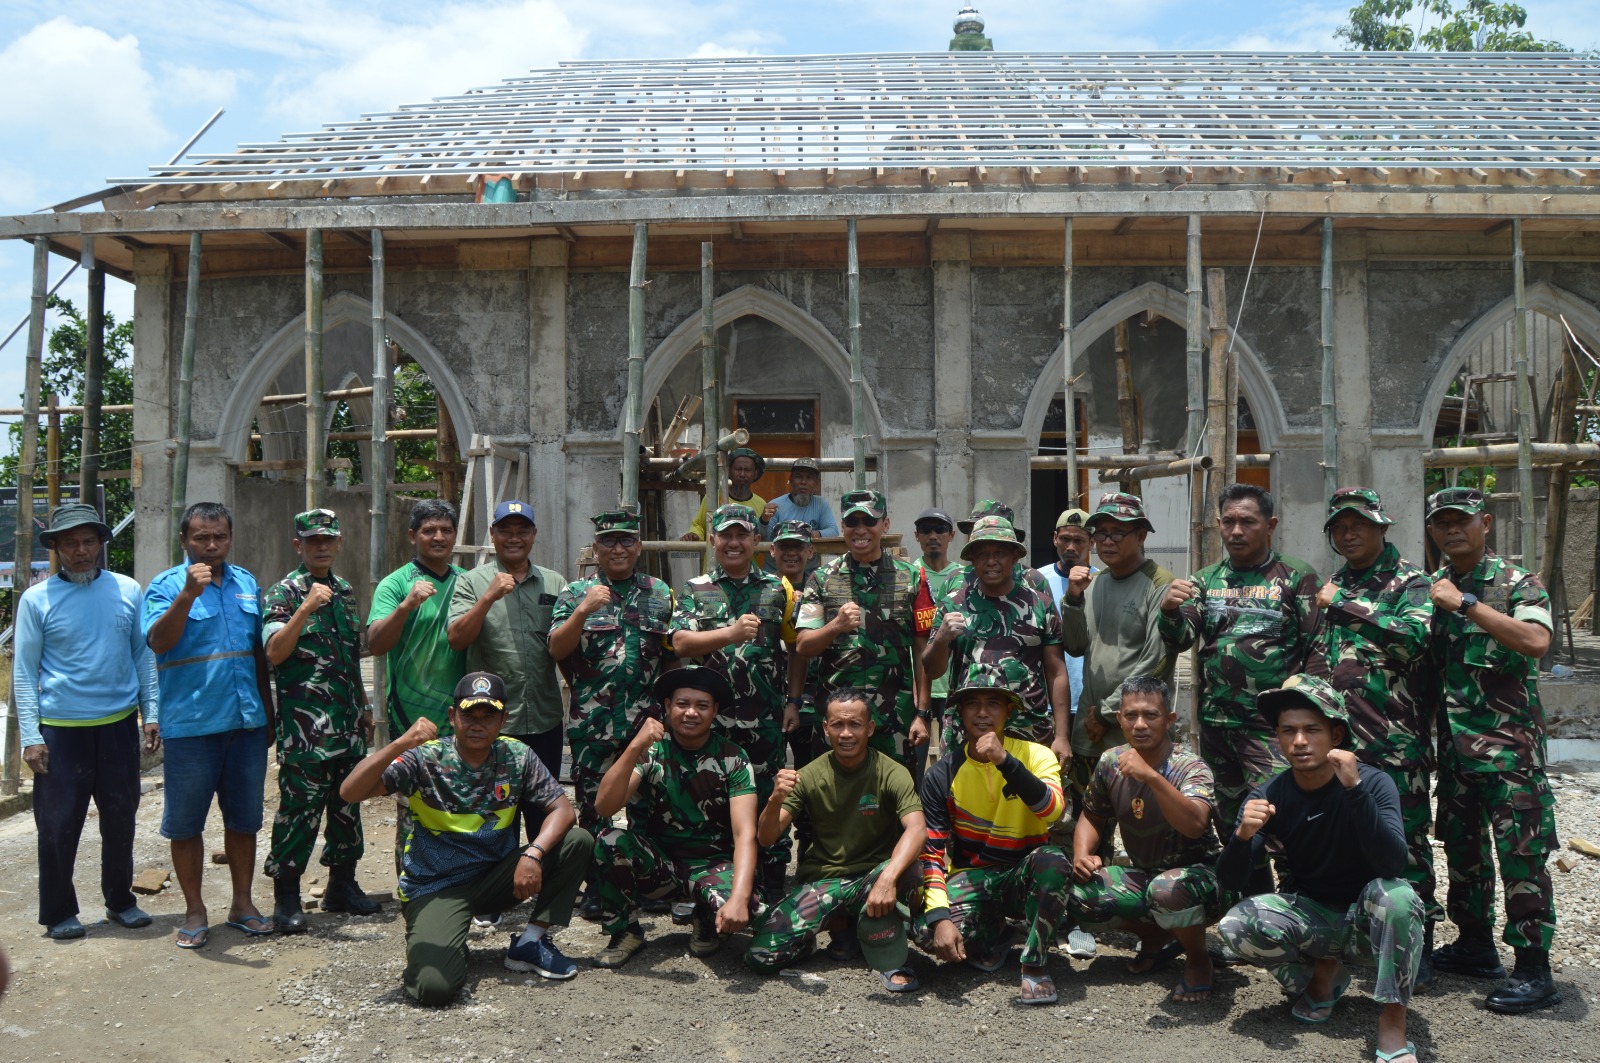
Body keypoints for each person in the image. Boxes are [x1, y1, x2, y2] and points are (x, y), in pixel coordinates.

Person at [339, 672, 594, 1001]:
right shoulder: (425, 758)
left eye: (489, 716)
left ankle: (531, 942)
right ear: (452, 716)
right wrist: (401, 743)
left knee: (576, 841)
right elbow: (350, 791)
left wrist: (533, 854)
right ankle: (444, 938)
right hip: (435, 887)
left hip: (494, 879)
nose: (478, 724)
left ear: (504, 719)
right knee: (433, 988)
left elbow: (563, 810)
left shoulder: (517, 756)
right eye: (468, 715)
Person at [1217, 675, 1422, 1063]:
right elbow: (1229, 881)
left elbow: (1392, 864)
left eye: (1312, 730)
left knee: (1397, 896)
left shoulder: (1373, 783)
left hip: (1371, 924)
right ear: (1277, 737)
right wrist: (1243, 836)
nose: (1299, 742)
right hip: (1318, 919)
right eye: (1288, 731)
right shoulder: (1270, 794)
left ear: (1336, 735)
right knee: (1235, 925)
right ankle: (1322, 978)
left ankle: (1393, 1024)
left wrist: (1354, 792)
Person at [1424, 486, 1560, 1014]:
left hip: (1510, 753)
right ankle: (1475, 944)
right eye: (1442, 523)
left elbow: (1534, 642)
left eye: (1461, 520)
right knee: (1463, 851)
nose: (1452, 530)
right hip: (1455, 752)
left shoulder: (1515, 583)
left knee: (1521, 855)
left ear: (1486, 523)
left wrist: (1469, 604)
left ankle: (1533, 968)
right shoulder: (1433, 588)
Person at [1158, 483, 1321, 894]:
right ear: (1218, 525)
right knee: (1234, 824)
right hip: (1217, 725)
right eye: (1228, 522)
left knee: (1283, 816)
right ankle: (1254, 910)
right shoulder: (1205, 579)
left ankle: (1303, 910)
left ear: (1270, 525)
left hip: (1273, 728)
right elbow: (1181, 638)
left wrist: (1310, 718)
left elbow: (1316, 649)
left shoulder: (1297, 576)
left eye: (1247, 521)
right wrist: (1170, 610)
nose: (1236, 531)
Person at [1307, 487, 1439, 983]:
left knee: (1405, 843)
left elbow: (1412, 640)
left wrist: (1346, 603)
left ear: (1383, 527)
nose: (1348, 533)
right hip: (1342, 745)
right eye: (1339, 527)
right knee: (1350, 836)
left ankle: (1419, 943)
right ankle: (1361, 935)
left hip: (1394, 743)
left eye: (1358, 524)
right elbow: (1321, 659)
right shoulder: (1334, 582)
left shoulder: (1410, 582)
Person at [14, 503, 159, 940]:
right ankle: (59, 912)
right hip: (61, 732)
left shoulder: (128, 590)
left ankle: (120, 901)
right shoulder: (37, 599)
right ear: (55, 547)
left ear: (101, 544)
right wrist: (30, 736)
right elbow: (24, 671)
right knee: (58, 825)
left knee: (121, 817)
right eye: (71, 542)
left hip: (116, 727)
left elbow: (142, 655)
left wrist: (151, 712)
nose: (81, 550)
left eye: (89, 541)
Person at [143, 502, 277, 948]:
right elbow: (157, 642)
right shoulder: (164, 586)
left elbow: (257, 654)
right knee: (185, 825)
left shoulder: (246, 584)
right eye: (201, 537)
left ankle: (242, 904)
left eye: (219, 536)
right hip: (192, 727)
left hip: (245, 723)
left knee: (244, 820)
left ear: (230, 537)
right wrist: (186, 596)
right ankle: (195, 911)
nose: (212, 545)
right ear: (184, 540)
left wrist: (268, 713)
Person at [746, 688, 927, 991]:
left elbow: (917, 829)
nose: (846, 734)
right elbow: (766, 837)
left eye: (855, 725)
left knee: (911, 881)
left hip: (873, 878)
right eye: (838, 725)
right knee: (760, 957)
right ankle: (839, 928)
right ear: (825, 728)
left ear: (869, 729)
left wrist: (888, 877)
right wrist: (775, 798)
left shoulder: (892, 771)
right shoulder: (809, 775)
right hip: (825, 882)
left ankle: (890, 955)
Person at [915, 670, 1072, 1006]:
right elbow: (932, 853)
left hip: (1025, 876)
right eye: (972, 704)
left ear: (1009, 712)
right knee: (927, 934)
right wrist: (940, 919)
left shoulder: (1036, 755)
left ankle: (1034, 963)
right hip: (973, 878)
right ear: (959, 713)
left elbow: (1053, 812)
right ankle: (997, 933)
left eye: (993, 704)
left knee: (1054, 861)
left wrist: (1005, 761)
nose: (982, 713)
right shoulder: (942, 773)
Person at [588, 667, 758, 967]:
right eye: (682, 704)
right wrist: (635, 746)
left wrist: (740, 898)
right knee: (610, 839)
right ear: (667, 707)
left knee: (750, 910)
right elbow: (604, 807)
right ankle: (625, 932)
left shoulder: (733, 757)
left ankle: (706, 919)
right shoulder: (652, 750)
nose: (691, 713)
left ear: (715, 711)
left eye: (702, 706)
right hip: (659, 866)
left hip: (711, 865)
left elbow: (744, 834)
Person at [550, 508, 674, 918]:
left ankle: (643, 884)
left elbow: (670, 655)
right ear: (596, 548)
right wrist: (583, 610)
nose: (617, 548)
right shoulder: (575, 592)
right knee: (593, 810)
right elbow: (557, 651)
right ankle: (599, 887)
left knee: (648, 807)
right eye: (609, 541)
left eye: (625, 540)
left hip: (646, 724)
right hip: (594, 724)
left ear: (638, 546)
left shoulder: (659, 592)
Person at [1071, 676, 1225, 1004]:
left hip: (1201, 882)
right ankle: (1155, 936)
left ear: (1169, 719)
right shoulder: (1111, 761)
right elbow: (1092, 814)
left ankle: (1199, 960)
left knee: (1166, 890)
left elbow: (1196, 825)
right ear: (1119, 719)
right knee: (1079, 892)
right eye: (1130, 716)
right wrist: (1082, 854)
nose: (1139, 724)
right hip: (1147, 878)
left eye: (1151, 715)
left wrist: (1151, 777)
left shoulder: (1190, 766)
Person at [262, 509, 380, 932]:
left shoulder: (345, 591)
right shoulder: (285, 592)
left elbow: (351, 658)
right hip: (306, 732)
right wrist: (306, 608)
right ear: (299, 546)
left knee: (348, 807)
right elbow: (275, 652)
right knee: (298, 812)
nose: (322, 547)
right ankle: (287, 899)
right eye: (313, 541)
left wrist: (365, 707)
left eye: (328, 539)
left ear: (339, 542)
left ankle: (342, 886)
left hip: (347, 726)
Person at [670, 503, 793, 900]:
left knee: (769, 796)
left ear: (758, 540)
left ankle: (770, 882)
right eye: (726, 535)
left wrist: (793, 700)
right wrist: (730, 633)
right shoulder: (696, 588)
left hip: (766, 721)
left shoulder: (778, 588)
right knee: (713, 801)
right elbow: (681, 642)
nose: (734, 543)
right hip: (712, 724)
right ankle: (718, 885)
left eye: (743, 535)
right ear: (713, 541)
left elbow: (795, 648)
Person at [1060, 492, 1176, 822]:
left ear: (1140, 535)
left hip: (1136, 730)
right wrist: (1072, 601)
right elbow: (1075, 646)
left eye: (1117, 532)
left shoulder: (1159, 584)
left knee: (1144, 820)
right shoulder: (1094, 584)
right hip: (1089, 731)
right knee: (1090, 818)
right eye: (1100, 533)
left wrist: (1110, 712)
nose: (1106, 541)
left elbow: (1156, 660)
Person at [796, 490, 928, 770]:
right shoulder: (821, 579)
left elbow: (921, 650)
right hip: (838, 720)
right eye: (852, 522)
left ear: (885, 525)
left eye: (868, 521)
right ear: (842, 527)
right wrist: (836, 626)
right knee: (833, 800)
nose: (860, 530)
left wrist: (922, 713)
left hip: (894, 717)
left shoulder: (911, 577)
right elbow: (804, 646)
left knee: (896, 800)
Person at [921, 516, 1070, 763]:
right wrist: (940, 640)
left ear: (1014, 557)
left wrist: (1062, 735)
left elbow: (1056, 672)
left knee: (1032, 799)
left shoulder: (1040, 605)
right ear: (972, 560)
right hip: (967, 732)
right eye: (982, 554)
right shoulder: (952, 604)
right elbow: (933, 670)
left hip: (1028, 729)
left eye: (999, 553)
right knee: (965, 800)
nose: (991, 561)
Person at [448, 500, 569, 795]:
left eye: (522, 531)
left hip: (544, 719)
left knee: (543, 809)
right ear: (492, 534)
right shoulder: (471, 582)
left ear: (534, 534)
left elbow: (564, 648)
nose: (514, 538)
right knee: (496, 817)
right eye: (505, 531)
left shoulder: (554, 582)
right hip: (492, 724)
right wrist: (488, 597)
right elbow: (457, 638)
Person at [367, 499, 467, 739]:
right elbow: (376, 644)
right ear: (413, 536)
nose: (439, 537)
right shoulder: (395, 583)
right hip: (409, 714)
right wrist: (406, 607)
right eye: (429, 531)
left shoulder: (467, 581)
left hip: (463, 711)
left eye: (447, 530)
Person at [910, 506, 963, 777]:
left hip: (954, 687)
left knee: (952, 768)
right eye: (926, 530)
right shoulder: (907, 576)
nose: (933, 535)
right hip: (916, 688)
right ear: (916, 536)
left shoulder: (964, 578)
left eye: (940, 529)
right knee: (913, 768)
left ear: (951, 535)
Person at [769, 519, 823, 769]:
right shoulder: (762, 590)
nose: (791, 553)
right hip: (766, 701)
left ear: (810, 551)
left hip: (810, 703)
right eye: (784, 546)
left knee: (809, 773)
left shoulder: (823, 591)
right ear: (772, 550)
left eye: (798, 547)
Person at [1034, 507, 1093, 722]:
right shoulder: (1036, 580)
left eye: (1079, 541)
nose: (1071, 547)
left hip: (1088, 700)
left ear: (1091, 543)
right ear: (1054, 539)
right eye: (1065, 539)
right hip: (1045, 700)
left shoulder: (1101, 582)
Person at [682, 447, 769, 542]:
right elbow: (699, 525)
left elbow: (761, 536)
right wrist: (694, 535)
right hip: (715, 556)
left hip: (746, 557)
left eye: (747, 470)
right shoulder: (713, 498)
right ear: (729, 471)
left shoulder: (761, 504)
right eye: (738, 469)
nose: (742, 474)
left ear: (755, 474)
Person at [761, 457, 838, 551]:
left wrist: (812, 534)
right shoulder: (775, 505)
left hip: (810, 565)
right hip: (777, 565)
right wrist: (763, 520)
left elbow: (834, 532)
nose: (803, 482)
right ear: (791, 479)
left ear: (816, 482)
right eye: (798, 477)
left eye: (809, 477)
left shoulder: (821, 504)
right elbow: (763, 539)